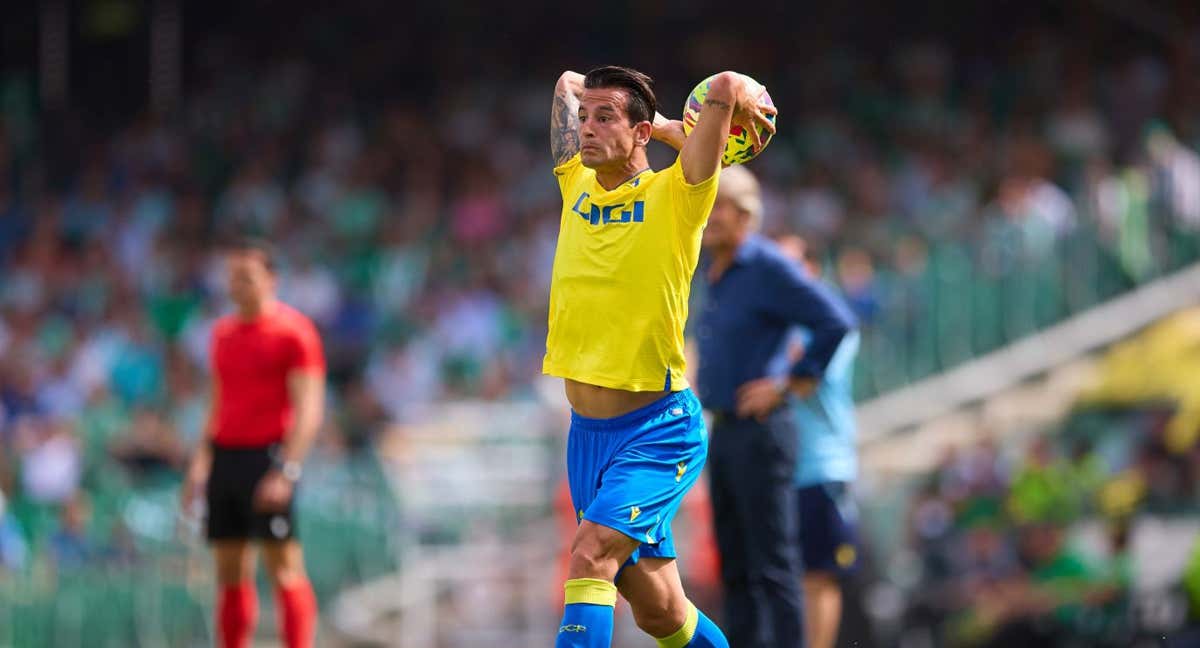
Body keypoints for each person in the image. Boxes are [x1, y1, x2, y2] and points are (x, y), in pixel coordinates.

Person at [547, 65, 775, 648]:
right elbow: (567, 82)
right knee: (660, 612)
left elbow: (725, 85)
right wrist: (622, 112)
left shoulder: (678, 195)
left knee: (591, 554)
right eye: (586, 118)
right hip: (587, 436)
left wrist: (678, 130)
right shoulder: (574, 180)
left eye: (606, 118)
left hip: (656, 430)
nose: (588, 128)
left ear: (641, 132)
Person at [695, 167, 856, 648]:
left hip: (761, 430)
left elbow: (835, 321)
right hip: (724, 430)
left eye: (717, 205)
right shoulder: (717, 270)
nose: (707, 216)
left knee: (773, 563)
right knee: (736, 563)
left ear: (745, 215)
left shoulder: (765, 264)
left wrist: (788, 383)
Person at [181, 239, 325, 648]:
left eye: (247, 277)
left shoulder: (294, 334)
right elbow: (216, 405)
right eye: (232, 278)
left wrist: (286, 470)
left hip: (269, 457)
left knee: (284, 567)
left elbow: (309, 410)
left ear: (272, 280)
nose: (238, 286)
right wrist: (200, 464)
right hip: (226, 457)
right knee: (229, 570)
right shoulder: (222, 335)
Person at [777, 234, 862, 648]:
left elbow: (806, 381)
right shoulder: (781, 322)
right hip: (781, 469)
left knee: (819, 575)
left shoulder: (831, 322)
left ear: (812, 268)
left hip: (822, 466)